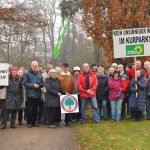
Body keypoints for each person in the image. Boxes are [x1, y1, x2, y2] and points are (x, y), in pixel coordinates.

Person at [23, 61, 44, 128]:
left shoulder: (39, 74)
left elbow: (43, 84)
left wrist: (39, 85)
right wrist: (33, 85)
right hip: (30, 95)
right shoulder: (27, 73)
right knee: (30, 110)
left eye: (36, 65)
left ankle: (34, 122)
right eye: (33, 65)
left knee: (36, 110)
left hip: (38, 95)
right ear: (31, 66)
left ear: (37, 66)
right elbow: (25, 83)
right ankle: (29, 122)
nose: (35, 66)